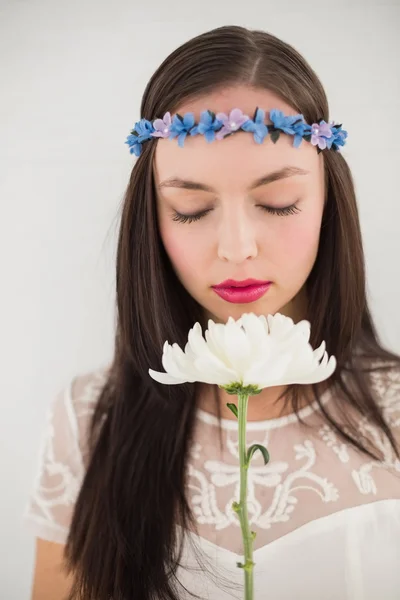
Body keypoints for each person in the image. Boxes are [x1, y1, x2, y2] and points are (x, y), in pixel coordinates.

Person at [23, 25, 400, 600]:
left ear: (329, 201)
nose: (236, 247)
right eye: (192, 210)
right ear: (153, 218)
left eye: (278, 203)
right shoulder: (88, 422)